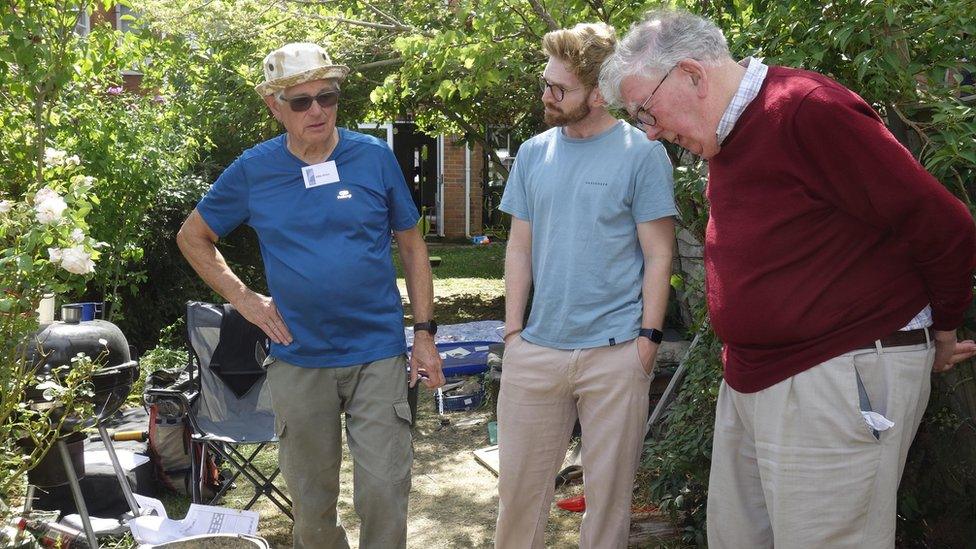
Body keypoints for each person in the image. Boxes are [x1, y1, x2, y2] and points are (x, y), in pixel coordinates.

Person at [600, 9, 976, 548]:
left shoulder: (804, 108)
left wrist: (943, 327)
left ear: (691, 74)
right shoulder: (727, 135)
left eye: (645, 110)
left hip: (837, 371)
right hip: (757, 375)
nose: (651, 131)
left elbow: (945, 225)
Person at [176, 42, 445, 549]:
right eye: (301, 101)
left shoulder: (374, 158)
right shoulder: (254, 171)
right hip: (299, 358)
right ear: (275, 106)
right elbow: (193, 237)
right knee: (311, 505)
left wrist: (425, 333)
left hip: (378, 354)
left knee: (386, 491)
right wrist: (247, 301)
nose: (317, 110)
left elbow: (412, 245)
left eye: (328, 96)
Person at [495, 23, 677, 549]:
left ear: (599, 94)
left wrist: (647, 339)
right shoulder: (532, 153)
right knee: (518, 497)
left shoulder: (641, 153)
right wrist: (513, 333)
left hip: (616, 353)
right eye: (546, 84)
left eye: (560, 89)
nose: (547, 97)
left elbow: (659, 251)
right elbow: (519, 248)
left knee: (608, 503)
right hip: (536, 351)